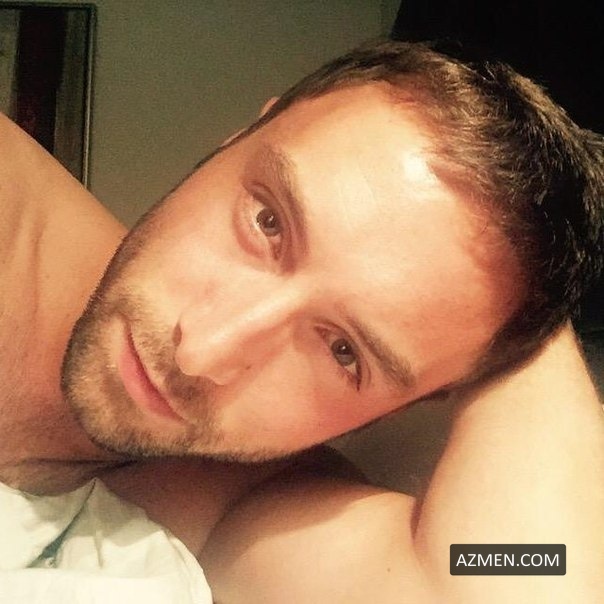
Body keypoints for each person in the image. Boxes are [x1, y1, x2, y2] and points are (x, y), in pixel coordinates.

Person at [0, 39, 602, 602]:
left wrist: (529, 297)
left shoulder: (242, 501)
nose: (200, 353)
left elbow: (530, 576)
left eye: (343, 351)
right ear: (242, 136)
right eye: (268, 222)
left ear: (415, 400)